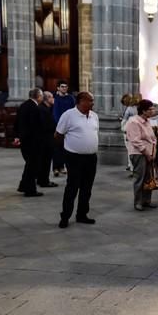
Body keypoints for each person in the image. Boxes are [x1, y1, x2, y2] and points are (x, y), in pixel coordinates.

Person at [55, 92, 99, 229]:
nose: (93, 103)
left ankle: (82, 214)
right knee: (72, 187)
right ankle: (65, 216)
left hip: (91, 157)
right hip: (74, 157)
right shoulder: (69, 115)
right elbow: (58, 135)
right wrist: (68, 150)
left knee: (87, 188)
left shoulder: (94, 116)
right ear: (81, 101)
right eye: (90, 100)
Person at [125, 99, 158, 211]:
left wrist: (153, 152)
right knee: (140, 177)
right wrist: (147, 153)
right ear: (143, 111)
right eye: (150, 109)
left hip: (149, 153)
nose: (153, 111)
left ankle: (146, 201)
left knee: (148, 177)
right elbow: (136, 140)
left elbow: (152, 138)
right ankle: (138, 202)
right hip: (139, 153)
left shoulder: (147, 121)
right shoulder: (134, 122)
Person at [15, 88, 45, 197]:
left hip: (25, 141)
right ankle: (30, 190)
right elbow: (35, 127)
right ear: (38, 96)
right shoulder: (34, 108)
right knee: (32, 166)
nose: (42, 98)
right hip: (33, 142)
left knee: (29, 165)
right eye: (41, 95)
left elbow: (17, 122)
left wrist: (18, 136)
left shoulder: (23, 105)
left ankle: (23, 186)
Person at [52, 80, 76, 177]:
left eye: (66, 86)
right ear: (58, 88)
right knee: (56, 148)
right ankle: (55, 168)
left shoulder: (70, 98)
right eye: (62, 86)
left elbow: (73, 110)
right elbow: (53, 112)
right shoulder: (54, 97)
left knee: (65, 148)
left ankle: (62, 167)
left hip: (68, 126)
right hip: (56, 125)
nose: (64, 88)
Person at [37, 91, 57, 188]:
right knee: (45, 161)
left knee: (45, 161)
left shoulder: (46, 108)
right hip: (45, 139)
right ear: (47, 98)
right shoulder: (42, 110)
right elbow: (46, 125)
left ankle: (43, 179)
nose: (53, 99)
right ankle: (44, 181)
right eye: (51, 97)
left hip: (46, 138)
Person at [120, 93, 138, 173]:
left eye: (125, 102)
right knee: (130, 149)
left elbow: (126, 120)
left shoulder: (130, 108)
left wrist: (123, 122)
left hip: (128, 130)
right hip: (132, 130)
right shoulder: (134, 108)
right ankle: (130, 165)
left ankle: (132, 167)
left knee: (130, 149)